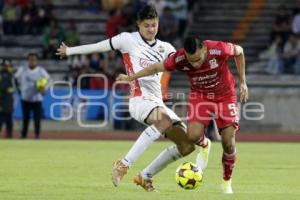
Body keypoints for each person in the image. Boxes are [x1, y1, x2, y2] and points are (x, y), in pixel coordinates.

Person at [56, 4, 204, 191]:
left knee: (187, 146)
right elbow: (99, 46)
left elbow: (184, 64)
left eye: (154, 25)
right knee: (163, 120)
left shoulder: (166, 48)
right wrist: (70, 51)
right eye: (147, 25)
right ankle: (123, 164)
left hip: (157, 102)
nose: (151, 29)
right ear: (138, 24)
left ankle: (145, 176)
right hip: (139, 100)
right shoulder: (127, 40)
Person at [116, 36, 248, 194]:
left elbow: (239, 51)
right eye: (191, 60)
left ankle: (226, 182)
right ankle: (205, 143)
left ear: (204, 49)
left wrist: (242, 82)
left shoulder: (218, 48)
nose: (195, 64)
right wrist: (131, 77)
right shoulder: (179, 59)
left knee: (228, 142)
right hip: (201, 97)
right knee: (192, 137)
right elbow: (155, 67)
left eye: (198, 59)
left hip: (225, 97)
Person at [14, 53, 50, 139]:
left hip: (37, 99)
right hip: (25, 98)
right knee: (25, 118)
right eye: (30, 60)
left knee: (37, 118)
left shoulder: (41, 71)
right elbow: (15, 78)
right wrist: (18, 89)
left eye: (34, 60)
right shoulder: (22, 69)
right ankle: (23, 135)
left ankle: (37, 135)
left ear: (37, 61)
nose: (32, 61)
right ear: (28, 61)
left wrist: (44, 90)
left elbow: (48, 80)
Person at [0, 59, 14, 138]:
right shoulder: (4, 76)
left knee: (9, 122)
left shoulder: (10, 75)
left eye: (8, 66)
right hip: (2, 102)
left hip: (9, 102)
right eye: (5, 66)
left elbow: (12, 89)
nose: (7, 67)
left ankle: (9, 136)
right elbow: (3, 89)